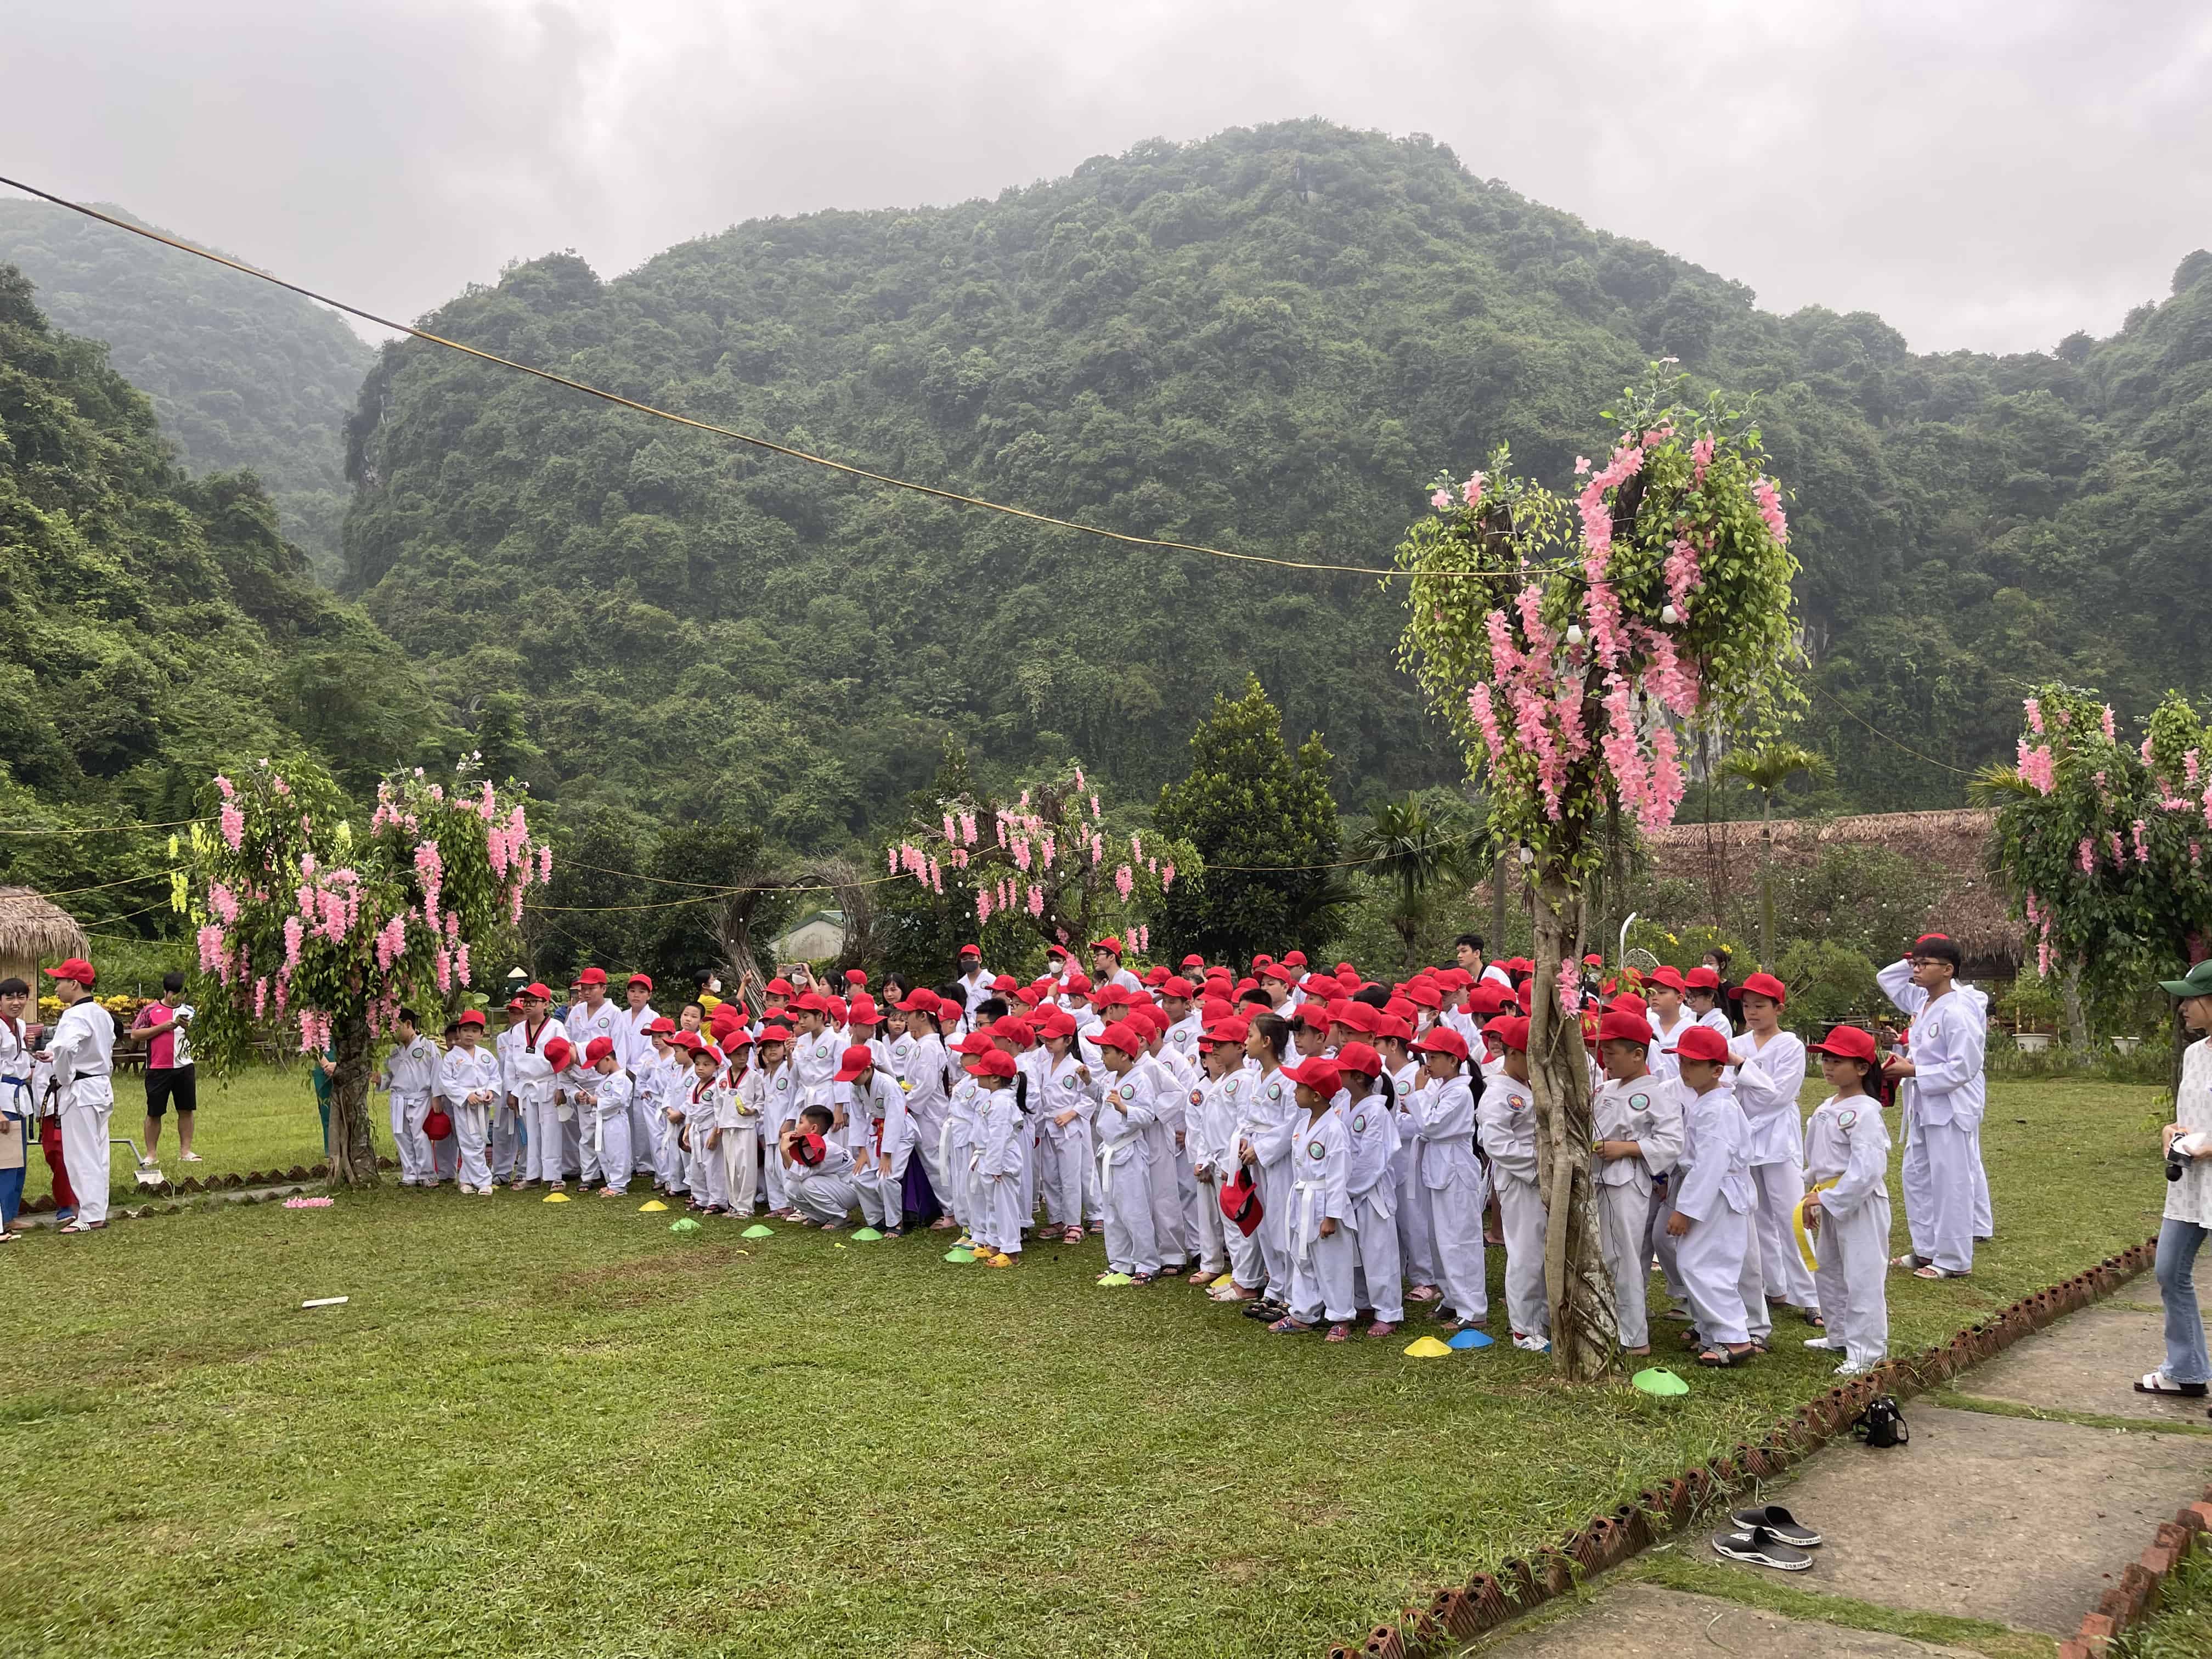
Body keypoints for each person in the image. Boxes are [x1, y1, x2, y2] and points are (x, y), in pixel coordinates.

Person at [1876, 936, 1988, 1279]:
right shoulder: (1924, 1005)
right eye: (1915, 963)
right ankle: (1926, 1250)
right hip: (1924, 1103)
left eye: (1925, 964)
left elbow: (1965, 1065)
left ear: (1948, 970)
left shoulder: (1959, 1008)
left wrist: (1914, 1070)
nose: (1917, 970)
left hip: (1951, 1106)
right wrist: (1908, 1063)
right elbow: (1887, 977)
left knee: (1950, 1180)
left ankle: (1954, 1260)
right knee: (1916, 1177)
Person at [1801, 1025, 1894, 1377]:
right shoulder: (1828, 1106)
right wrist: (1811, 1190)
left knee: (1863, 1275)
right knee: (1829, 1270)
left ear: (1862, 1068)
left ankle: (1867, 1350)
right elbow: (1820, 1159)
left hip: (1861, 1203)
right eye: (1826, 1058)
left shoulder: (1866, 1111)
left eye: (1837, 1060)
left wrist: (1831, 1198)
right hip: (1829, 1197)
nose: (1828, 1066)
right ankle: (1838, 1334)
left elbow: (1867, 1169)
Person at [1592, 1010, 1684, 1358]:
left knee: (1624, 1257)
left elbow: (1672, 1143)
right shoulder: (1606, 1087)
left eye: (1613, 1052)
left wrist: (1627, 1148)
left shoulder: (1656, 1093)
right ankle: (1611, 1323)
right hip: (1599, 1177)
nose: (1606, 1059)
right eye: (1604, 1052)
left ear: (1638, 1054)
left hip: (1627, 1182)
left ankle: (1635, 1338)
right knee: (1607, 1254)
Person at [2141, 960, 2212, 1404]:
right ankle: (2186, 1370)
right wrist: (2173, 1132)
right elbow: (2190, 1116)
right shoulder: (2195, 1054)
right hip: (2190, 1183)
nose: (2183, 1007)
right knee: (2169, 1271)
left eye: (2190, 998)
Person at [1664, 1024, 1756, 1366]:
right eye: (1683, 1062)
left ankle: (1734, 1338)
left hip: (1718, 1193)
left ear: (1717, 1070)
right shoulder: (1708, 1103)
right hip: (1712, 1190)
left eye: (1693, 1064)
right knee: (1697, 1261)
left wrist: (1685, 1210)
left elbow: (1710, 1164)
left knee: (1705, 1264)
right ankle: (1712, 1332)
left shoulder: (1719, 1108)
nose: (1684, 1069)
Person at [1730, 972, 1817, 1319]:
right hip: (1745, 1138)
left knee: (1791, 1215)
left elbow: (1780, 1094)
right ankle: (1774, 1287)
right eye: (1747, 1006)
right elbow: (1729, 1089)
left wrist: (1743, 1070)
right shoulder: (1737, 1044)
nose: (1752, 1012)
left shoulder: (1791, 1046)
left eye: (1760, 1006)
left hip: (1777, 1139)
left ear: (1778, 1008)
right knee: (1757, 1216)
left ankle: (1812, 1297)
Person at [1408, 1026, 1489, 1331]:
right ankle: (1453, 1298)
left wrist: (1417, 1094)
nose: (1428, 1062)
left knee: (1459, 1238)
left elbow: (1430, 1124)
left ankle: (1473, 1308)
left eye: (1434, 1056)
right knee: (1438, 1238)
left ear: (1453, 1060)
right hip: (1438, 1165)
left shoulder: (1461, 1092)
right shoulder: (1443, 1088)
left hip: (1455, 1167)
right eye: (1427, 1055)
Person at [1476, 1014, 1548, 1348]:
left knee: (1543, 1252)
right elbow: (1496, 1145)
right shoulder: (1499, 1093)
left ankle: (1541, 1321)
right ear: (1514, 1054)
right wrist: (1539, 1167)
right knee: (1526, 1254)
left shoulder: (1526, 1084)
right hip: (1521, 1181)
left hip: (1540, 1179)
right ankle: (1524, 1329)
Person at [38, 958, 115, 1234]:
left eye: (60, 981)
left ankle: (90, 1214)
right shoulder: (102, 1014)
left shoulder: (74, 1016)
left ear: (74, 984)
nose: (56, 987)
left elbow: (65, 1046)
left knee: (81, 1153)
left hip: (81, 1090)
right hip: (100, 1088)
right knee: (98, 1151)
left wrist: (54, 1058)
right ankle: (96, 1209)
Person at [964, 1047, 1026, 1266]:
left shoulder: (1001, 1102)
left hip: (1001, 1159)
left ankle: (1011, 1250)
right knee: (992, 1203)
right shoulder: (995, 1098)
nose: (977, 1076)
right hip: (990, 1156)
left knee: (1004, 1205)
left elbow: (999, 1136)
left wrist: (996, 1166)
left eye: (982, 1073)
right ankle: (994, 1242)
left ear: (995, 1078)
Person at [132, 971, 199, 1163]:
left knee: (186, 1109)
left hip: (185, 1066)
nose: (176, 997)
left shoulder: (190, 1011)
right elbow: (136, 1034)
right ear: (165, 991)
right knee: (155, 1112)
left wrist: (188, 1029)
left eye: (180, 994)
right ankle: (151, 1154)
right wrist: (162, 1027)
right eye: (173, 993)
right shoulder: (150, 1010)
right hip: (157, 1067)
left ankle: (186, 1151)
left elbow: (201, 1039)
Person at [439, 1010, 503, 1196]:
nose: (469, 1034)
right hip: (464, 1105)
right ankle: (484, 1181)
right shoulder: (451, 1057)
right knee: (469, 1142)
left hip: (482, 1103)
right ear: (458, 1032)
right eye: (466, 1030)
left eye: (475, 1031)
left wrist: (491, 1091)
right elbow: (447, 1082)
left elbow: (495, 1077)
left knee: (479, 1141)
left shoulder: (486, 1056)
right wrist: (466, 1095)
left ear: (482, 1034)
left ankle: (466, 1179)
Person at [376, 1009, 442, 1187]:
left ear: (408, 1024)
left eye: (395, 1026)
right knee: (401, 1135)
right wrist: (380, 1080)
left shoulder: (428, 1047)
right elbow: (392, 1077)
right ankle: (410, 1173)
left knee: (420, 1136)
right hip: (399, 1099)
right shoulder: (395, 1052)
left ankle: (427, 1174)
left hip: (420, 1097)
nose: (393, 1031)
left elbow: (437, 1072)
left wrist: (437, 1096)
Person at [1, 977, 32, 1240]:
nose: (16, 1002)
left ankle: (10, 1216)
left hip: (19, 1096)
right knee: (5, 1162)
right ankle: (2, 1219)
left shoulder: (20, 1025)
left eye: (21, 997)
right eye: (10, 997)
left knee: (19, 1160)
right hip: (3, 1097)